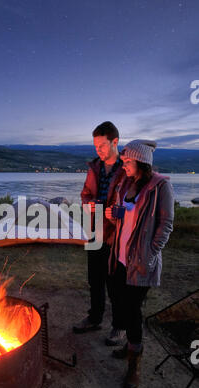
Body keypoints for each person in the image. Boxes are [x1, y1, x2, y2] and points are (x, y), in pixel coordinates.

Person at [105, 139, 174, 388]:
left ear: (142, 162)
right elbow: (122, 214)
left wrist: (152, 252)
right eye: (123, 161)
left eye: (127, 161)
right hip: (120, 256)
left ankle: (134, 365)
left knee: (133, 311)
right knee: (121, 305)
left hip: (142, 262)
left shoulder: (161, 186)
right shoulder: (126, 183)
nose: (123, 165)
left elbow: (166, 224)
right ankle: (128, 346)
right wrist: (113, 214)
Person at [73, 121, 126, 345]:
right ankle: (95, 318)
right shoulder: (94, 166)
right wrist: (89, 204)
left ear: (115, 142)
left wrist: (116, 212)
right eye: (96, 146)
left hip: (116, 233)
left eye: (102, 146)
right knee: (94, 279)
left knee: (115, 282)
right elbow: (85, 193)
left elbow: (133, 202)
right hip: (94, 229)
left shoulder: (127, 168)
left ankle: (120, 326)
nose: (98, 151)